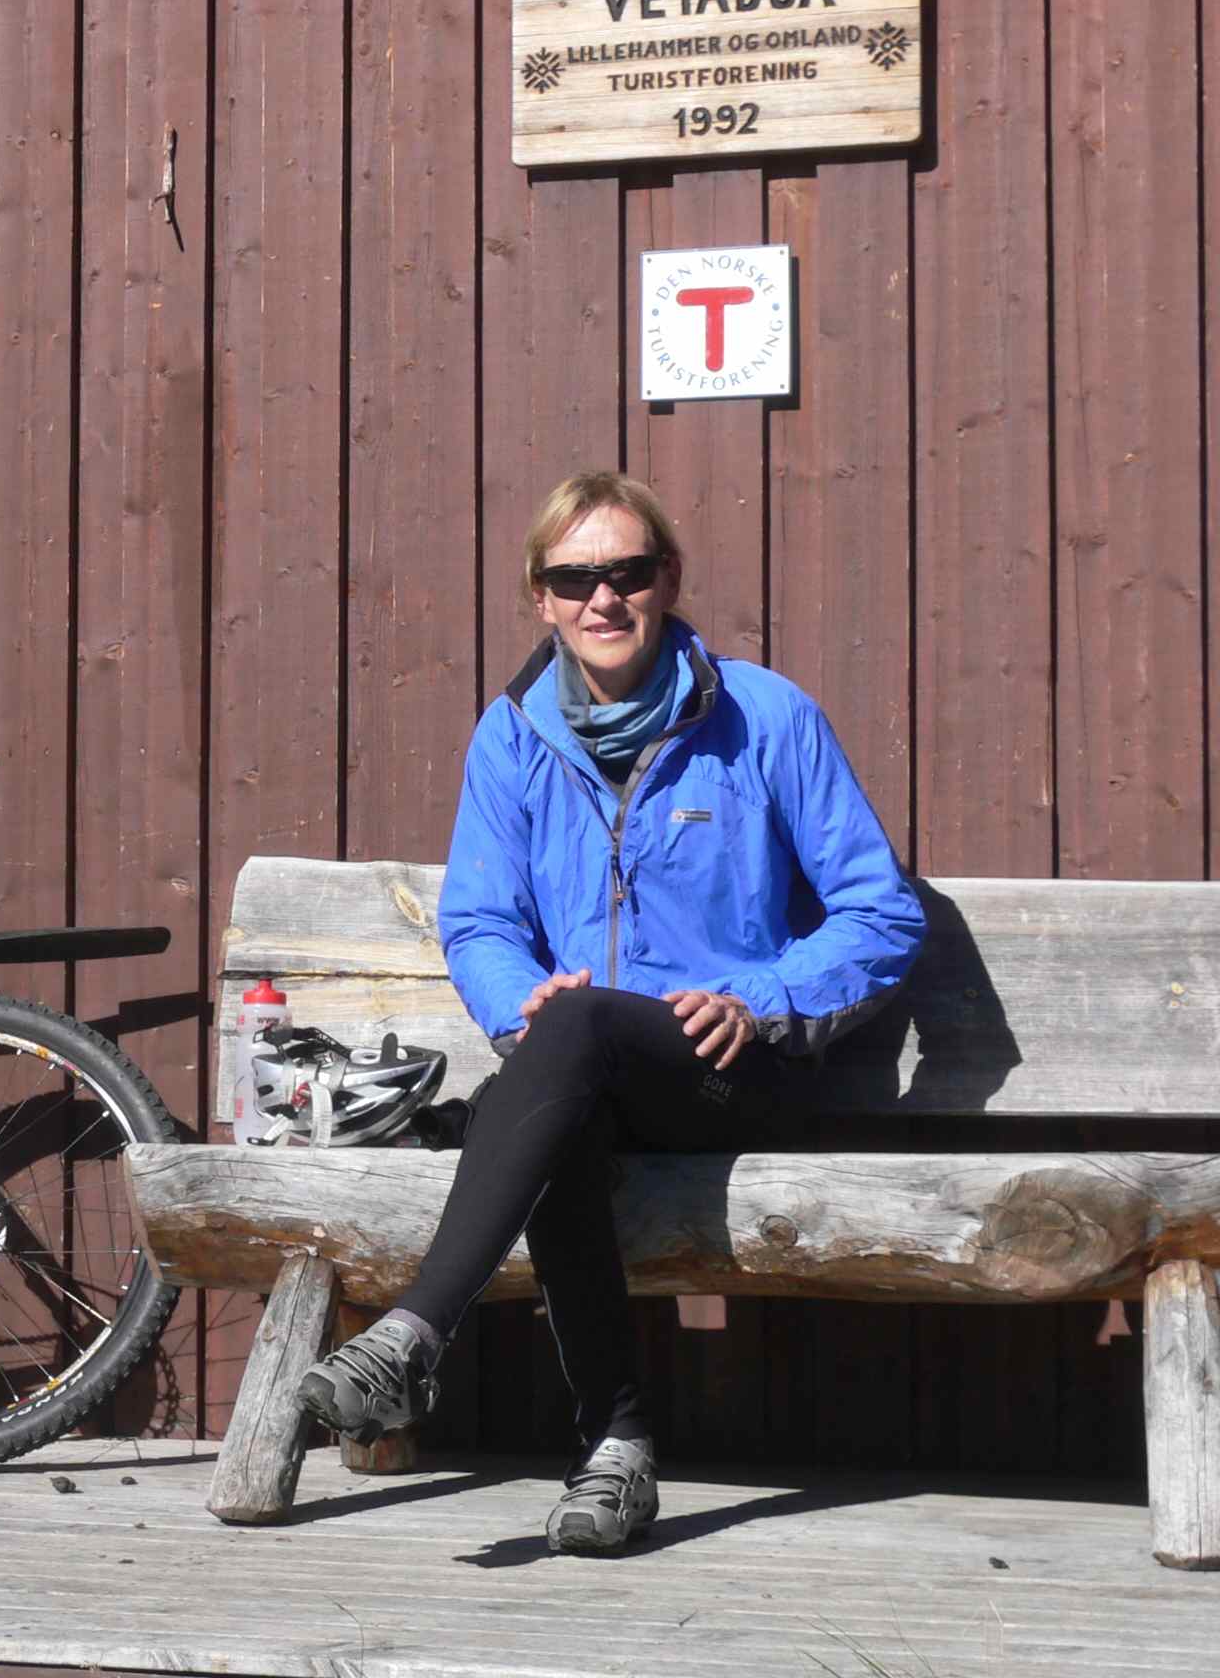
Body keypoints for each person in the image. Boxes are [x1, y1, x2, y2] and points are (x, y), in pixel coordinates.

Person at [295, 471, 924, 1555]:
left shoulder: (762, 717)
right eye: (575, 578)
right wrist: (513, 997)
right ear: (540, 598)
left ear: (668, 580)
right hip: (585, 1073)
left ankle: (411, 1339)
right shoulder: (511, 738)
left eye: (627, 573)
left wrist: (764, 997)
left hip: (729, 1068)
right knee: (552, 1086)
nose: (604, 599)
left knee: (566, 1047)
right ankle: (617, 1459)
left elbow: (882, 914)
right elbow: (483, 920)